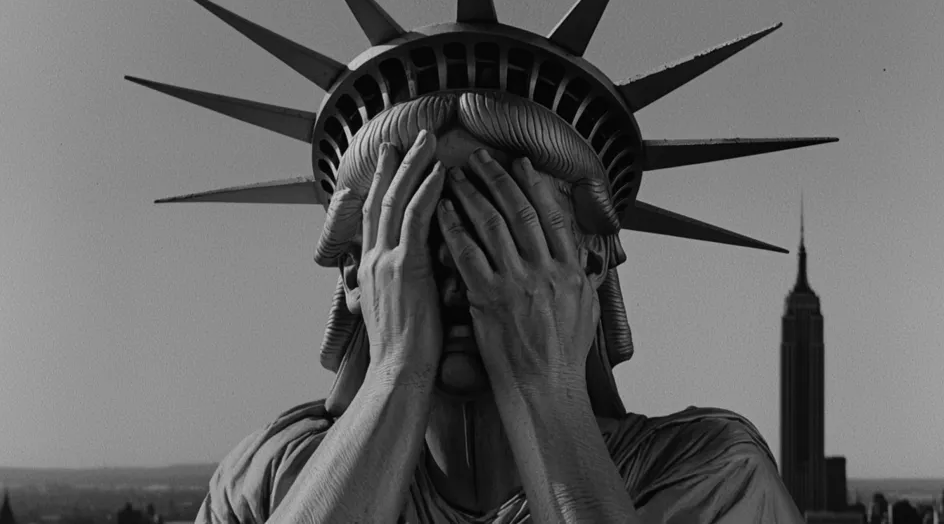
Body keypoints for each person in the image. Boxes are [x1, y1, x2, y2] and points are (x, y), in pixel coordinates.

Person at [191, 92, 805, 523]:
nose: (463, 279)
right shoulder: (273, 479)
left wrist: (546, 385)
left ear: (589, 263)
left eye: (506, 233)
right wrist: (396, 371)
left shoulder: (712, 477)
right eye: (421, 231)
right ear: (359, 272)